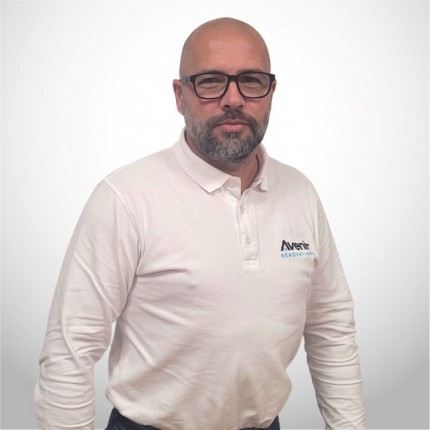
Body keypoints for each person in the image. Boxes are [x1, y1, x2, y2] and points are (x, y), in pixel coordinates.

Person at [35, 17, 365, 430]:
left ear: (271, 92)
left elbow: (330, 327)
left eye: (251, 81)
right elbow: (70, 349)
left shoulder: (300, 193)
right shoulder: (126, 197)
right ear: (180, 95)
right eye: (211, 82)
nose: (233, 99)